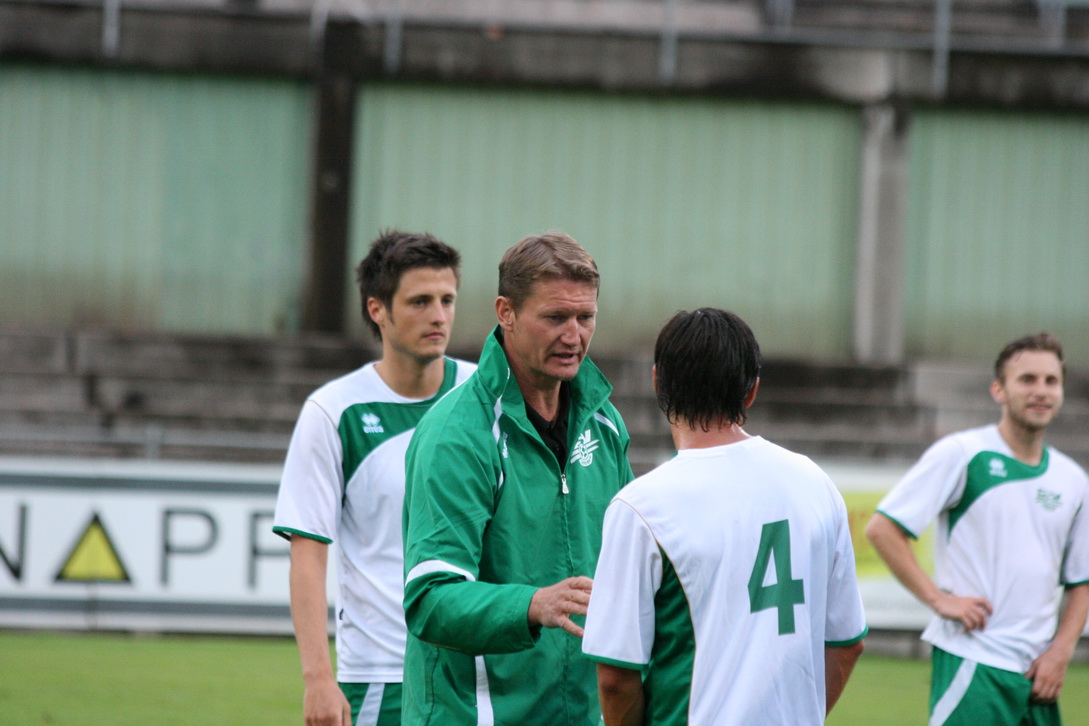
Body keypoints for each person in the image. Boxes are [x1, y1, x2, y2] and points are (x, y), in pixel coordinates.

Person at [581, 307, 867, 726]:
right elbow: (847, 643)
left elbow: (615, 677)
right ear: (751, 390)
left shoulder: (640, 507)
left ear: (657, 381)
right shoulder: (814, 482)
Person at [401, 232, 635, 725]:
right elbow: (429, 599)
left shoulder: (606, 423)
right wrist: (533, 604)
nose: (574, 336)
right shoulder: (456, 435)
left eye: (585, 317)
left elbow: (630, 573)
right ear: (505, 312)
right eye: (555, 318)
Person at [272, 230, 476, 726]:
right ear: (378, 309)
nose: (439, 315)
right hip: (382, 676)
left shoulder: (486, 394)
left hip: (477, 670)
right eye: (420, 301)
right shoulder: (333, 410)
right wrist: (318, 679)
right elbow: (307, 551)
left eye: (447, 300)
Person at [866, 332, 1089, 726]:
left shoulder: (1073, 479)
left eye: (1051, 381)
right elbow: (883, 529)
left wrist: (1061, 652)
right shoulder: (963, 454)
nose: (1041, 391)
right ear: (998, 390)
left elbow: (1081, 580)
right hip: (976, 660)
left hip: (1038, 671)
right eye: (1027, 379)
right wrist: (938, 600)